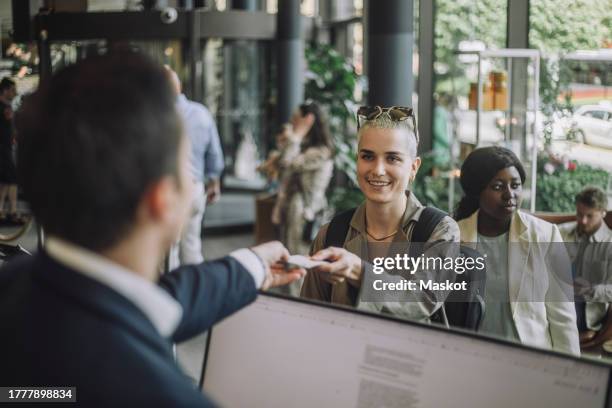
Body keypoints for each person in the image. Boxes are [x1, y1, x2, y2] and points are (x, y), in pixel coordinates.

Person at [0, 52, 305, 407]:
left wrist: (253, 265)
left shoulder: (17, 281)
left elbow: (157, 305)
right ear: (163, 200)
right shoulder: (160, 396)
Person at [301, 106, 460, 321]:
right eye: (367, 156)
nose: (377, 170)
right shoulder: (331, 234)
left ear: (413, 168)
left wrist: (359, 272)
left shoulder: (439, 230)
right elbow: (310, 317)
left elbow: (422, 300)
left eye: (392, 158)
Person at [455, 146, 579, 354]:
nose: (509, 195)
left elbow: (563, 316)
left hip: (530, 363)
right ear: (477, 191)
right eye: (497, 187)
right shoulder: (453, 237)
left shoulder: (545, 236)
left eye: (515, 185)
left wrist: (571, 375)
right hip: (470, 358)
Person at [271, 102, 334, 295]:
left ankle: (299, 305)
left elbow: (287, 164)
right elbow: (281, 170)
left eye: (296, 118)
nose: (292, 122)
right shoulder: (306, 148)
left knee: (297, 262)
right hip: (295, 210)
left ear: (308, 120)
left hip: (304, 213)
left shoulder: (320, 152)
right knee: (290, 259)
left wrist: (296, 137)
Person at [165, 67, 224, 266]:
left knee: (169, 250)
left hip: (169, 191)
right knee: (191, 245)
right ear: (179, 87)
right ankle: (196, 291)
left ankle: (172, 293)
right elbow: (214, 153)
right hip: (195, 189)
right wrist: (214, 182)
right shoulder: (201, 112)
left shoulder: (154, 114)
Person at [559, 186, 612, 350]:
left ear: (603, 212)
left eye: (590, 216)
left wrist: (591, 290)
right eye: (579, 214)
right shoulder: (561, 232)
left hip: (587, 308)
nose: (582, 221)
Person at [0, 77, 21, 224]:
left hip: (6, 147)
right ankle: (13, 212)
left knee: (5, 181)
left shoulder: (7, 106)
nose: (15, 93)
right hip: (2, 149)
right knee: (12, 179)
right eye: (13, 90)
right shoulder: (2, 107)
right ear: (5, 90)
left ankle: (1, 210)